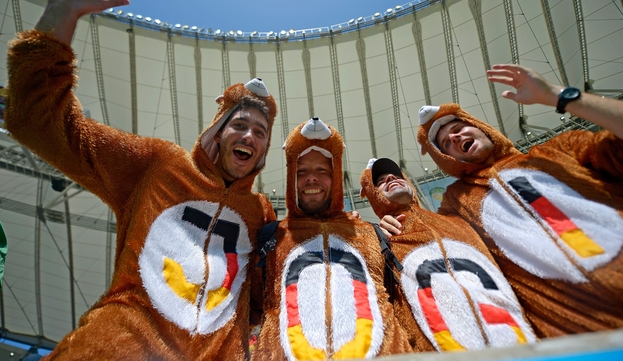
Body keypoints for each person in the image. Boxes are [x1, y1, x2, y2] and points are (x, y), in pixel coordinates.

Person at [5, 1, 278, 360]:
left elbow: (270, 300)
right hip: (120, 345)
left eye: (260, 132)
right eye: (239, 125)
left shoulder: (261, 213)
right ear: (217, 132)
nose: (248, 137)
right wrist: (65, 11)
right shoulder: (159, 165)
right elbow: (42, 122)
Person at [410, 63, 623, 338]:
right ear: (448, 160)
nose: (455, 136)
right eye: (447, 143)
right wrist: (396, 213)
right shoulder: (456, 204)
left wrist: (557, 96)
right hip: (588, 334)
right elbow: (434, 244)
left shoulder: (558, 150)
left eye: (458, 128)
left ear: (482, 128)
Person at [250, 117, 411, 360]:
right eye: (301, 171)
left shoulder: (371, 233)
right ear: (291, 178)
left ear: (336, 179)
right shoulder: (272, 236)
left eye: (322, 170)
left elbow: (405, 303)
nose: (311, 178)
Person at [360, 158, 535, 352]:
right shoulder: (379, 240)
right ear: (372, 194)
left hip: (516, 342)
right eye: (380, 180)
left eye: (396, 175)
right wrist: (367, 234)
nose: (391, 177)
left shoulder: (459, 222)